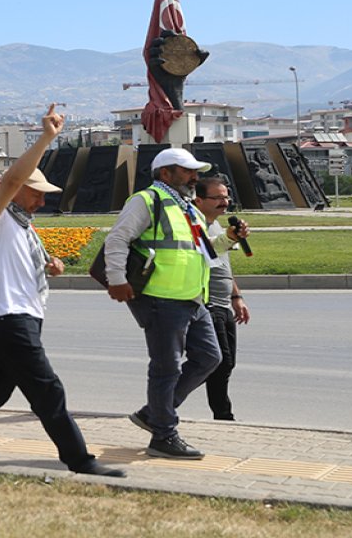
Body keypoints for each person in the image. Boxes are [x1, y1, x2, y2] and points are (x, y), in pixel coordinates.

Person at [0, 105, 125, 478]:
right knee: (47, 391)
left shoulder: (22, 225)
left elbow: (18, 264)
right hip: (8, 320)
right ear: (19, 189)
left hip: (16, 318)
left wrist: (48, 266)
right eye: (36, 194)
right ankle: (79, 459)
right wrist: (47, 137)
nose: (41, 201)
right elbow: (8, 182)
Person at [105, 147, 249, 459]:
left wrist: (230, 239)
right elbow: (117, 239)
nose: (195, 177)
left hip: (192, 299)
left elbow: (206, 252)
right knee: (166, 368)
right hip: (161, 298)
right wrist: (116, 278)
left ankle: (154, 413)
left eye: (196, 171)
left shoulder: (187, 207)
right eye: (187, 171)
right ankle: (163, 435)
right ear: (165, 173)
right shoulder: (147, 200)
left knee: (210, 358)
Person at [191, 176, 251, 421]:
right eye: (217, 198)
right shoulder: (194, 225)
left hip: (224, 303)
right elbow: (204, 254)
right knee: (218, 362)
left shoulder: (217, 225)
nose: (224, 202)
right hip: (206, 303)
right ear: (199, 200)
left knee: (226, 363)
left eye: (226, 197)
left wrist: (236, 295)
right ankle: (223, 415)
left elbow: (223, 263)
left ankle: (164, 400)